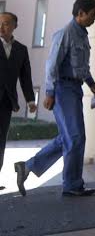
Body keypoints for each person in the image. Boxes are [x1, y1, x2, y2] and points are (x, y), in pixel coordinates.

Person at [15, 0, 95, 197]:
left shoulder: (82, 36)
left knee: (69, 137)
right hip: (62, 89)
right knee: (75, 137)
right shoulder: (65, 34)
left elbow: (82, 67)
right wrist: (49, 92)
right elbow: (51, 66)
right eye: (92, 15)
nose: (94, 18)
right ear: (80, 13)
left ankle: (27, 167)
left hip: (75, 89)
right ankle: (72, 185)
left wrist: (91, 84)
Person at [0, 12, 36, 191]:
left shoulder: (21, 50)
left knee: (0, 141)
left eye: (6, 23)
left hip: (6, 102)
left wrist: (30, 100)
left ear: (14, 26)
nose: (1, 27)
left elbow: (25, 77)